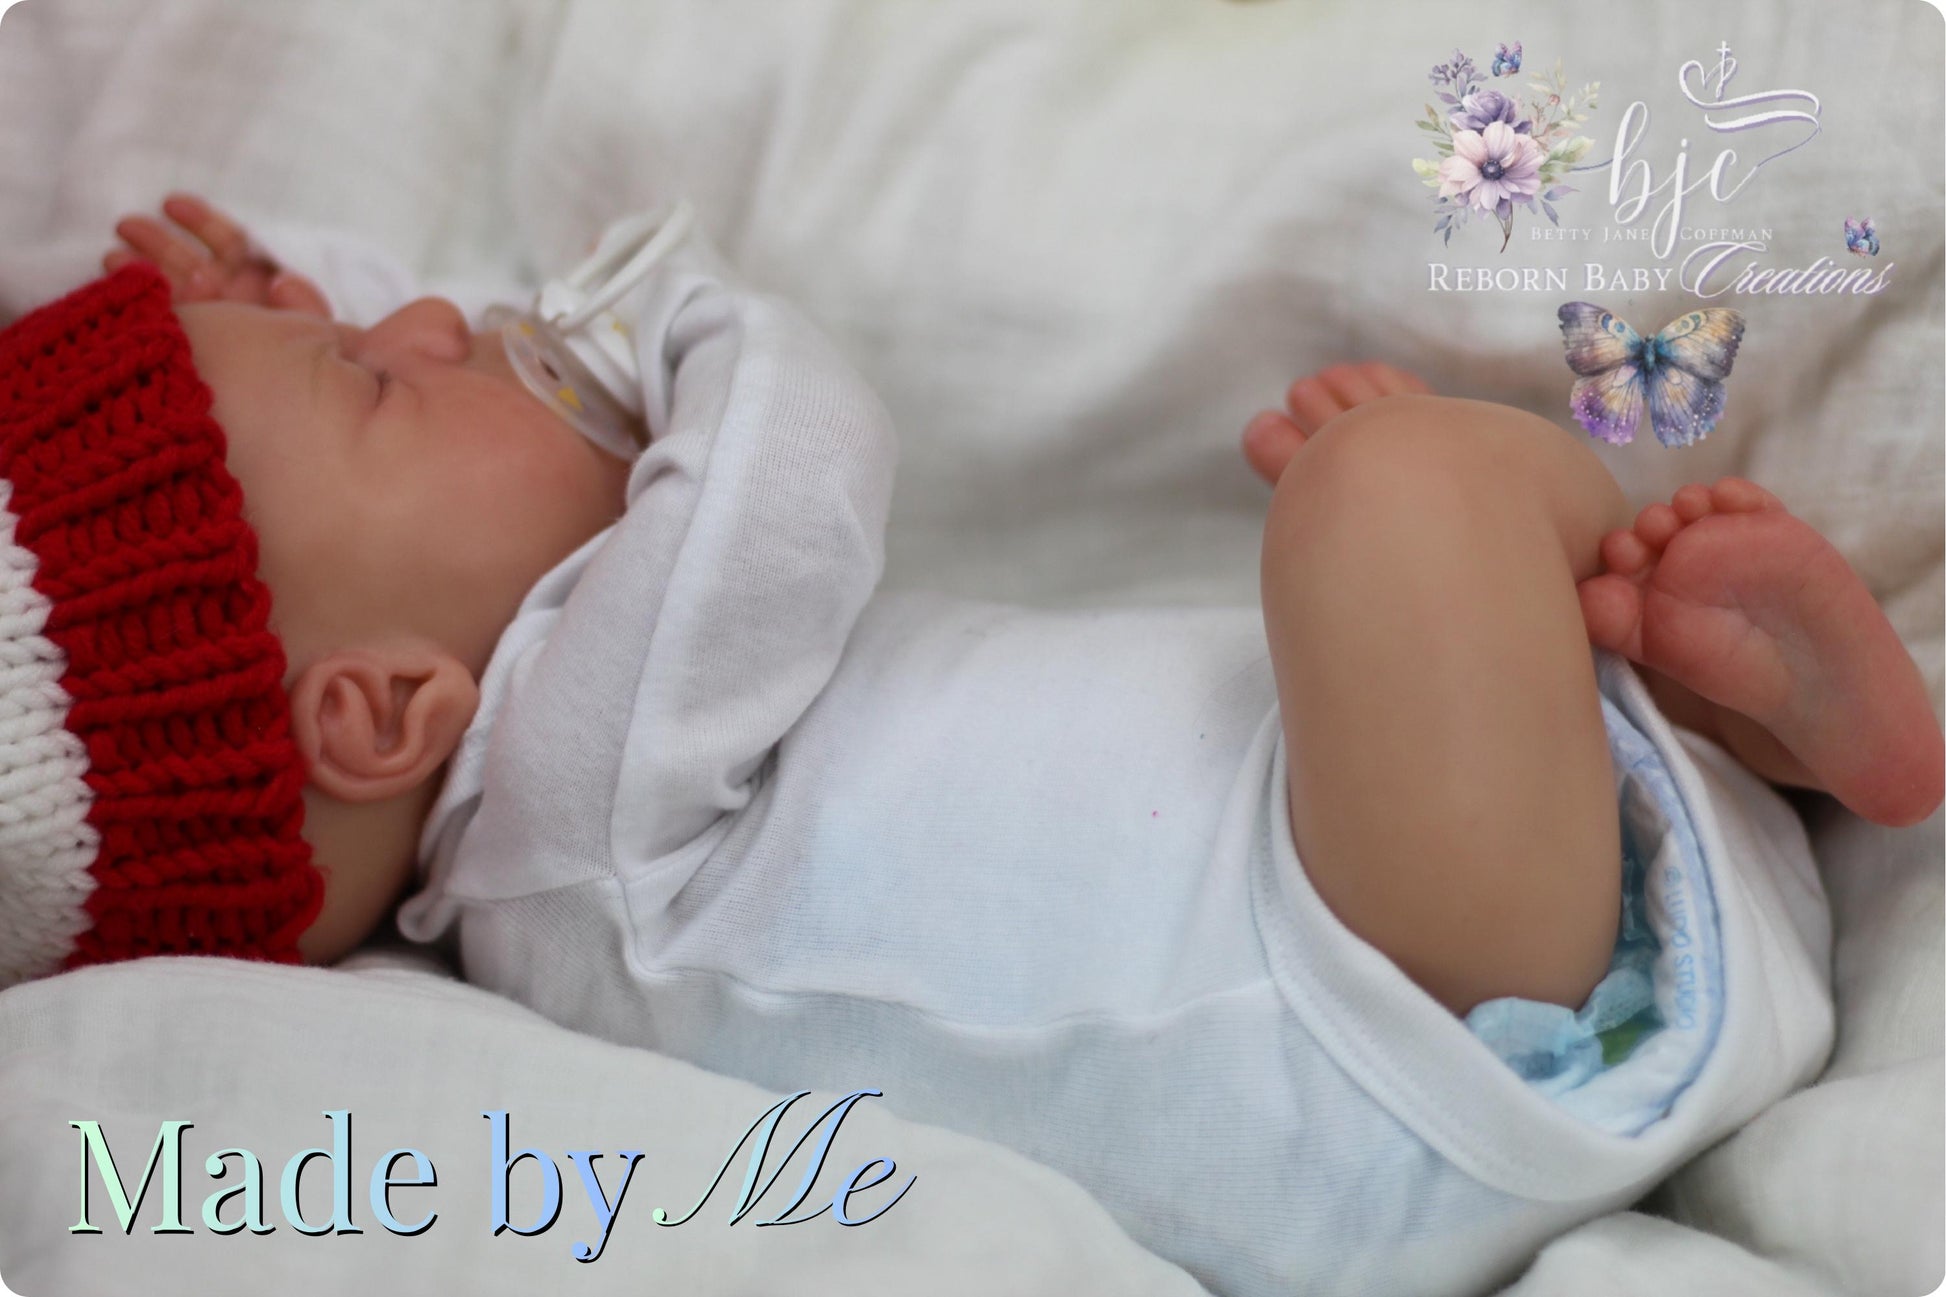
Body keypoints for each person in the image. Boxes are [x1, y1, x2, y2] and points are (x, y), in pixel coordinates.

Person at [0, 193, 1936, 1295]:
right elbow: (789, 455)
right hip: (1401, 1022)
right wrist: (650, 304)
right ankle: (1665, 663)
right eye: (373, 376)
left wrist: (272, 344)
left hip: (1441, 923)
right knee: (1395, 492)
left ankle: (1722, 718)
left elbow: (348, 508)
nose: (430, 315)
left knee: (1429, 540)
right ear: (381, 712)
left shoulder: (536, 874)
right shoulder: (574, 791)